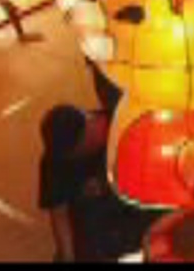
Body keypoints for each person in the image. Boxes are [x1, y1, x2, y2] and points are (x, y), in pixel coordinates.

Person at [38, 105, 152, 263]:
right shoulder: (57, 157)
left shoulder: (128, 130)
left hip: (138, 220)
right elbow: (59, 213)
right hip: (92, 232)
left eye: (74, 156)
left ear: (86, 137)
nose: (70, 161)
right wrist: (68, 256)